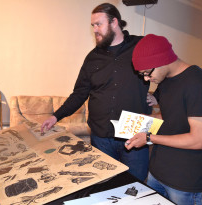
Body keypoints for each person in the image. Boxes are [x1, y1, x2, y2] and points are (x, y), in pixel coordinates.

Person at [41, 3, 151, 181]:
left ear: (114, 22)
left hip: (135, 135)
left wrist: (157, 95)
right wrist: (55, 117)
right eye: (93, 26)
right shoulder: (92, 57)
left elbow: (169, 70)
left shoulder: (142, 45)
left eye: (98, 24)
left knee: (135, 187)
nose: (95, 30)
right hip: (101, 137)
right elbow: (79, 93)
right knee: (104, 187)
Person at [125, 34, 202, 205]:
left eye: (146, 73)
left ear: (161, 60)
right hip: (158, 172)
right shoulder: (165, 79)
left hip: (184, 180)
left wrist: (149, 138)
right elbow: (173, 117)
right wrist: (148, 120)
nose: (146, 79)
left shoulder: (198, 83)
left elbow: (198, 140)